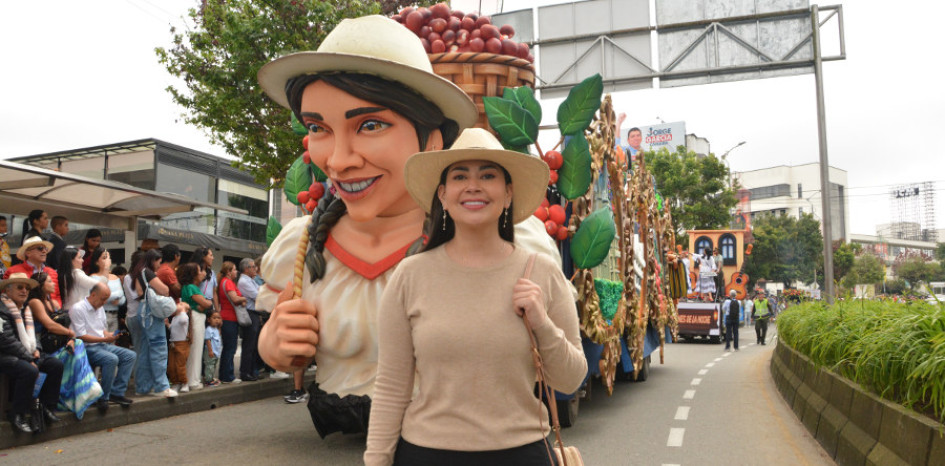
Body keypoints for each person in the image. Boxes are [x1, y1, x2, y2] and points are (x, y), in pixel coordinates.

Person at [255, 16, 560, 436]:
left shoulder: (504, 241)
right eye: (318, 128)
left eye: (370, 125)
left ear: (432, 140)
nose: (339, 160)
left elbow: (558, 352)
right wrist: (274, 342)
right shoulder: (304, 244)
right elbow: (279, 335)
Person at [364, 128, 587, 464]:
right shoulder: (409, 276)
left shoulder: (542, 272)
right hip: (426, 454)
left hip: (522, 454)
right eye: (459, 176)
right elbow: (392, 387)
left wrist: (542, 322)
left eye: (487, 175)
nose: (473, 185)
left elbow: (571, 379)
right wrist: (376, 461)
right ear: (442, 193)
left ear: (508, 192)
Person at [0, 272, 66, 433]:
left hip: (24, 353)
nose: (24, 291)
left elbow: (34, 337)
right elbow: (7, 341)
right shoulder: (2, 309)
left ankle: (46, 407)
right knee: (29, 370)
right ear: (7, 291)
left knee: (55, 364)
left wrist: (37, 350)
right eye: (20, 287)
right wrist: (29, 357)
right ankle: (17, 414)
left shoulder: (25, 310)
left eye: (27, 289)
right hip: (5, 355)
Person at [69, 282, 136, 410]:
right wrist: (105, 338)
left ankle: (116, 392)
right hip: (86, 347)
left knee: (130, 355)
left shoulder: (99, 308)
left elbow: (101, 330)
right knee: (111, 359)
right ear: (93, 295)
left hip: (100, 345)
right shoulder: (78, 308)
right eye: (103, 299)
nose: (105, 302)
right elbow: (80, 336)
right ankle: (103, 397)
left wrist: (110, 335)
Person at [126, 249, 178, 398]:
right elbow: (165, 290)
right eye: (159, 262)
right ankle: (161, 386)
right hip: (151, 313)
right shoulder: (147, 272)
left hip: (142, 311)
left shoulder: (136, 272)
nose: (159, 266)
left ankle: (142, 387)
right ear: (153, 260)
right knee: (158, 348)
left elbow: (140, 292)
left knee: (144, 352)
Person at [186, 246, 217, 391]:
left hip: (202, 312)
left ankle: (198, 377)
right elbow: (204, 303)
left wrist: (211, 306)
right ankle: (193, 379)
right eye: (210, 254)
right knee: (196, 349)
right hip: (196, 315)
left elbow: (209, 300)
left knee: (199, 349)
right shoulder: (191, 287)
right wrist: (207, 303)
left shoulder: (194, 287)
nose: (203, 274)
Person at [27, 271, 76, 355]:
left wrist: (71, 339)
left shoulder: (54, 303)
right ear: (40, 285)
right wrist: (69, 333)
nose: (53, 284)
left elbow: (65, 323)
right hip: (42, 341)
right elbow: (49, 325)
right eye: (49, 281)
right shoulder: (35, 302)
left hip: (58, 338)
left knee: (77, 343)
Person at [5, 236, 61, 307]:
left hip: (51, 312)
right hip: (24, 312)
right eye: (40, 248)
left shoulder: (52, 272)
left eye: (45, 248)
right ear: (28, 253)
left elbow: (57, 296)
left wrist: (56, 310)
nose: (44, 251)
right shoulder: (12, 271)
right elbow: (6, 296)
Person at [217, 261, 246, 383]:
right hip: (230, 318)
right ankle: (227, 376)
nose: (236, 272)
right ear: (229, 272)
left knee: (228, 347)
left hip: (227, 317)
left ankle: (224, 374)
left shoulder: (224, 282)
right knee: (230, 348)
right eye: (234, 269)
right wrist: (244, 298)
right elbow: (235, 299)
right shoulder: (228, 283)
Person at [89, 247, 125, 334]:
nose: (108, 260)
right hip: (101, 314)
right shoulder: (93, 278)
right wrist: (116, 295)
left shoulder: (115, 277)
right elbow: (100, 297)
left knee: (113, 341)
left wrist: (118, 300)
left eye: (108, 257)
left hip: (115, 314)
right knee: (102, 340)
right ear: (96, 261)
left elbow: (123, 297)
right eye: (104, 257)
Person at [236, 258, 261, 381]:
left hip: (254, 313)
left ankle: (252, 371)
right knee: (249, 345)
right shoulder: (244, 282)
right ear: (246, 269)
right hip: (249, 313)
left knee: (254, 344)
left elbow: (261, 292)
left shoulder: (251, 280)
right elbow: (258, 295)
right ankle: (245, 372)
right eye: (253, 266)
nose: (255, 269)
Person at [58, 246, 102, 312]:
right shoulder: (76, 274)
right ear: (71, 261)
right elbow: (97, 285)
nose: (82, 260)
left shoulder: (64, 274)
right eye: (79, 257)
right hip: (78, 311)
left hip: (69, 310)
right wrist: (105, 270)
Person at [166, 300, 190, 393]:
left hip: (181, 343)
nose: (178, 305)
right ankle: (175, 382)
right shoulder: (175, 317)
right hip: (173, 343)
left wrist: (183, 310)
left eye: (180, 304)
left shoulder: (183, 316)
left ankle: (184, 383)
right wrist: (168, 324)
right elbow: (173, 328)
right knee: (171, 365)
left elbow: (184, 320)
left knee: (180, 365)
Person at [203, 310, 223, 386]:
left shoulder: (216, 329)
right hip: (210, 351)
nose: (217, 320)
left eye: (218, 318)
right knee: (209, 366)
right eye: (214, 318)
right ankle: (208, 380)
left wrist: (220, 326)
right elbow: (208, 340)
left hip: (216, 352)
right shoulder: (208, 329)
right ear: (208, 320)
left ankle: (211, 378)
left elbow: (218, 335)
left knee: (213, 365)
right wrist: (210, 351)